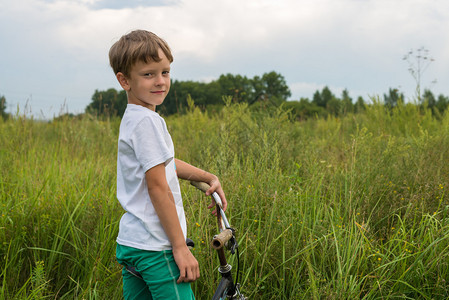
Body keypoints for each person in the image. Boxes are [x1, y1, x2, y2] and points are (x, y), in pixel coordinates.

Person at [109, 29, 227, 300]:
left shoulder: (135, 117)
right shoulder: (147, 122)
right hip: (156, 247)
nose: (160, 81)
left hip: (132, 244)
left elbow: (165, 164)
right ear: (124, 80)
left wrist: (208, 176)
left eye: (165, 72)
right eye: (148, 74)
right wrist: (180, 247)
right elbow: (158, 186)